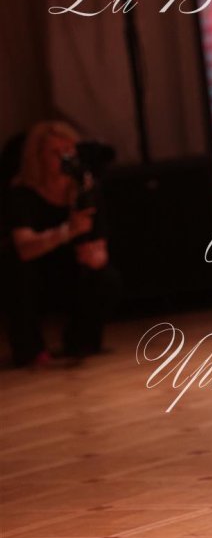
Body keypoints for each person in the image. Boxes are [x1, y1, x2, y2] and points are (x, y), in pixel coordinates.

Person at [3, 121, 118, 367]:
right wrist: (66, 232)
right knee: (17, 273)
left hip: (71, 269)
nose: (64, 158)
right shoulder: (22, 194)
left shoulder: (86, 190)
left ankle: (81, 342)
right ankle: (30, 351)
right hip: (37, 272)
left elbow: (99, 241)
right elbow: (24, 248)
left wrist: (96, 256)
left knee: (104, 277)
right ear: (38, 158)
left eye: (68, 151)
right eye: (55, 153)